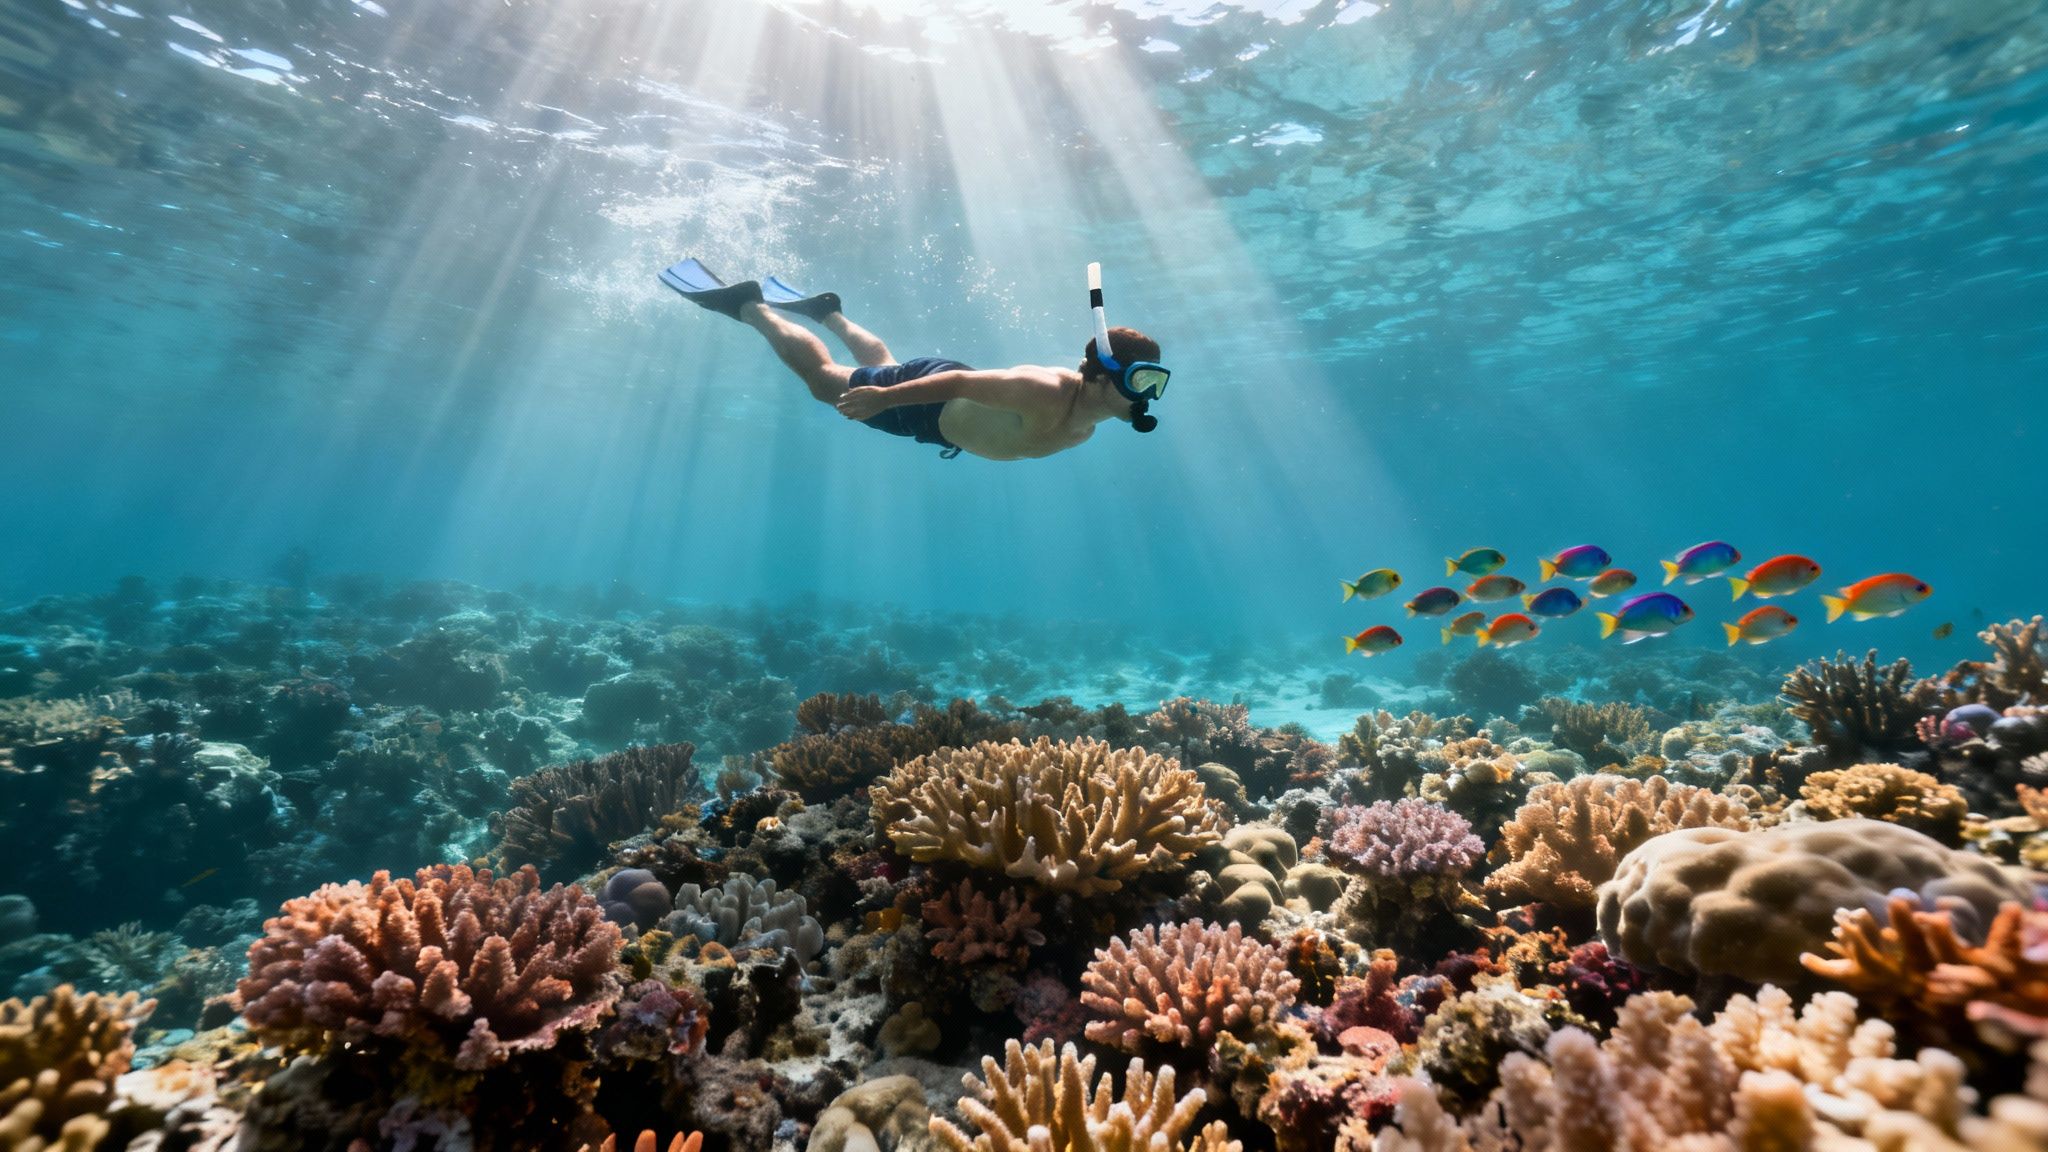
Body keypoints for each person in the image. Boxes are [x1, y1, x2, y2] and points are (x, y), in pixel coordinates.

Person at [662, 259, 1169, 461]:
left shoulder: (1089, 424)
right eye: (1142, 381)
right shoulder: (1044, 391)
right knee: (822, 382)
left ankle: (829, 314)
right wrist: (884, 396)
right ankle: (748, 306)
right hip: (929, 402)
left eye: (1156, 385)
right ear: (1102, 377)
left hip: (935, 419)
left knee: (883, 360)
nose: (1147, 396)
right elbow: (959, 384)